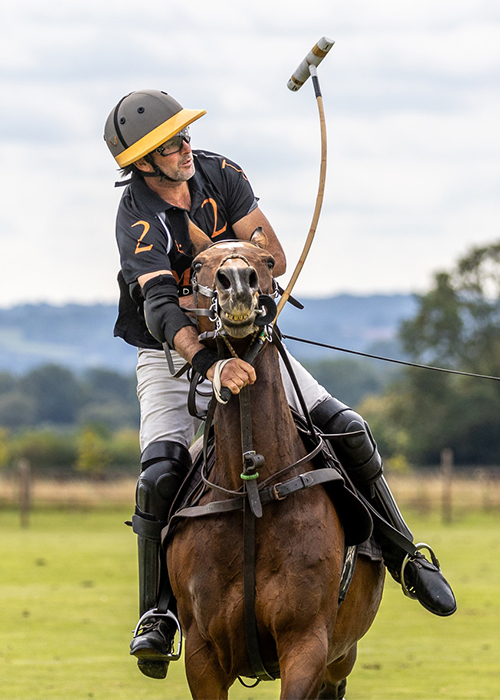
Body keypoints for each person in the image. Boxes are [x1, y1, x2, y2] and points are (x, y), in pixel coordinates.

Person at [103, 89, 456, 679]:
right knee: (159, 474)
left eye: (187, 137)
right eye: (172, 146)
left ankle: (404, 556)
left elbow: (275, 256)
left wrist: (239, 287)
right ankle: (157, 615)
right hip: (170, 355)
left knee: (347, 426)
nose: (188, 149)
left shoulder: (221, 173)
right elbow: (161, 307)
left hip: (254, 343)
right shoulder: (137, 217)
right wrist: (208, 363)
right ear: (144, 162)